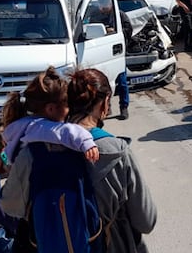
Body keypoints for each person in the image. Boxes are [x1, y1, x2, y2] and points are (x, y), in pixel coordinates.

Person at [67, 68, 158, 252]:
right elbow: (146, 221)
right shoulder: (117, 152)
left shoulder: (41, 148)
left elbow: (12, 206)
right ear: (104, 104)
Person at [1, 66, 99, 166]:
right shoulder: (40, 127)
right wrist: (86, 142)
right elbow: (62, 131)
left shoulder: (23, 125)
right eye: (67, 105)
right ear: (51, 109)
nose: (69, 110)